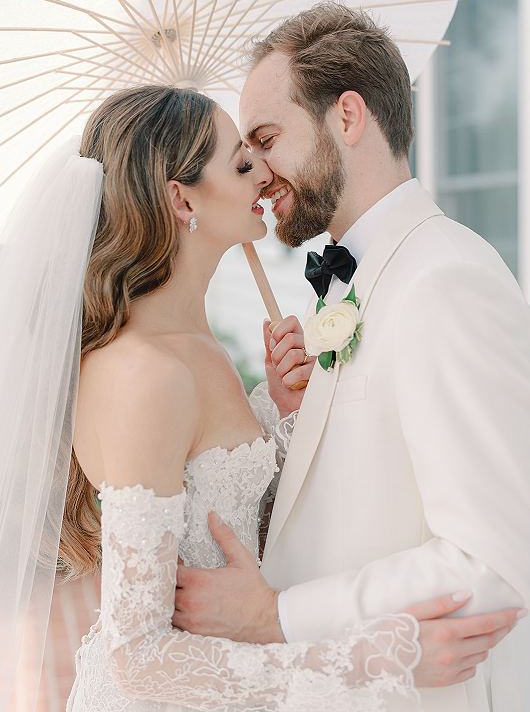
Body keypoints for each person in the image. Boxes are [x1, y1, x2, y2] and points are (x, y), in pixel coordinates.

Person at [3, 83, 512, 712]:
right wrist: (373, 660)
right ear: (181, 197)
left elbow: (233, 518)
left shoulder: (201, 345)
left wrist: (286, 415)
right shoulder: (143, 371)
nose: (263, 177)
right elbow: (137, 658)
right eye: (242, 164)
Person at [170, 3, 530, 712]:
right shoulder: (352, 283)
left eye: (268, 138)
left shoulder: (445, 277)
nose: (258, 173)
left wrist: (275, 617)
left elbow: (493, 563)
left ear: (349, 117)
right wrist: (304, 419)